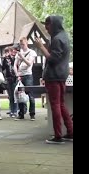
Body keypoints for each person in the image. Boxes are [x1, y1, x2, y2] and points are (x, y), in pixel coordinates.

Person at [35, 15, 73, 144]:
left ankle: (58, 136)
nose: (46, 27)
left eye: (48, 24)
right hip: (61, 76)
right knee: (61, 104)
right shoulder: (63, 36)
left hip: (54, 76)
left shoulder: (57, 39)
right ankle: (71, 132)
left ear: (54, 24)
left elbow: (53, 59)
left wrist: (41, 47)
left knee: (56, 105)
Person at [13, 37, 37, 121]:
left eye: (23, 44)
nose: (22, 46)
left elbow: (29, 63)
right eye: (20, 45)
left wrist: (22, 57)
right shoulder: (18, 53)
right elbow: (15, 65)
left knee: (30, 94)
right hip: (20, 75)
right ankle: (21, 113)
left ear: (26, 43)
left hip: (28, 75)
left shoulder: (32, 52)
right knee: (20, 94)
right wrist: (17, 74)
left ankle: (32, 113)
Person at [2, 46, 18, 118]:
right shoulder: (5, 59)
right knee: (10, 96)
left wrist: (10, 57)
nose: (7, 53)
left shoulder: (15, 58)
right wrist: (4, 59)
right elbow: (3, 68)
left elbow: (15, 64)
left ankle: (15, 110)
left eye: (8, 51)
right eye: (6, 52)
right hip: (8, 79)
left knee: (15, 95)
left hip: (14, 78)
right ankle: (12, 110)